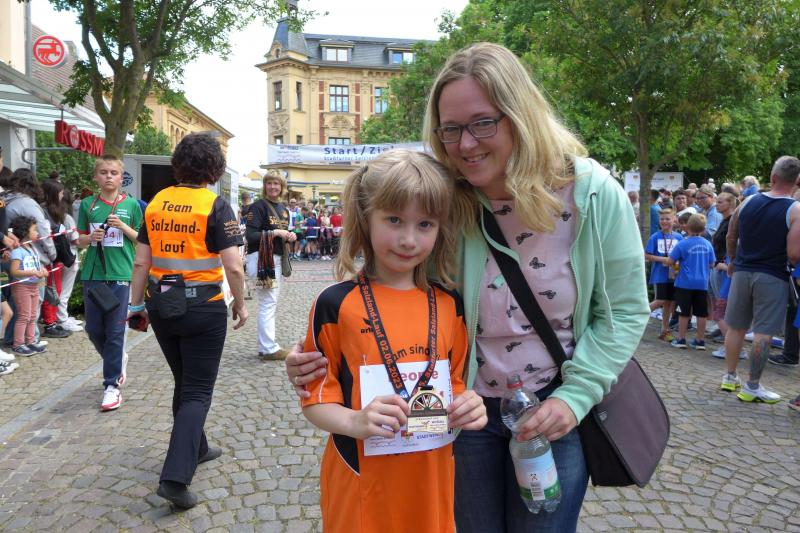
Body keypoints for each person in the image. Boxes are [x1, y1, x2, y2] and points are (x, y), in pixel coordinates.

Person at [287, 42, 649, 532]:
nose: (465, 144)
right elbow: (402, 294)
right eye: (450, 129)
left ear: (519, 116)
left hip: (552, 408)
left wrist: (576, 396)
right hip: (461, 415)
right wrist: (322, 357)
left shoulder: (591, 194)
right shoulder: (445, 198)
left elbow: (624, 310)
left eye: (482, 123)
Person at [300, 149, 486, 533]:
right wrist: (355, 421)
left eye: (425, 224)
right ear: (365, 218)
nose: (408, 239)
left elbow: (453, 385)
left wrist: (469, 406)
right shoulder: (335, 304)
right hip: (361, 483)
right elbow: (316, 400)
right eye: (394, 220)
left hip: (431, 480)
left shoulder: (450, 305)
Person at [127, 132, 248, 509]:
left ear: (178, 164)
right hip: (203, 307)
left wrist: (135, 306)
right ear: (215, 169)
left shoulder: (156, 203)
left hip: (161, 306)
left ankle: (199, 447)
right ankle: (175, 479)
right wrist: (240, 304)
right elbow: (234, 266)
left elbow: (141, 262)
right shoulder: (215, 205)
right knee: (197, 391)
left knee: (184, 380)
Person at [722, 156, 800, 403]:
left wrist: (733, 260)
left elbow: (731, 234)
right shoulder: (795, 210)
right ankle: (752, 386)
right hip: (773, 275)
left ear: (773, 177)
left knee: (736, 327)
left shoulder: (748, 201)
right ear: (796, 181)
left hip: (742, 270)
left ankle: (729, 376)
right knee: (764, 332)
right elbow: (793, 254)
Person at [77, 155, 143, 412]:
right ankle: (116, 359)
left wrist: (123, 226)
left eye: (113, 172)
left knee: (115, 331)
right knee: (94, 330)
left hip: (120, 274)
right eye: (103, 172)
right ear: (96, 177)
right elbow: (79, 239)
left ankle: (111, 386)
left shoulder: (132, 205)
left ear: (121, 177)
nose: (108, 176)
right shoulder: (87, 204)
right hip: (93, 274)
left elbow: (141, 239)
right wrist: (90, 238)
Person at [244, 170, 296, 360]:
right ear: (264, 186)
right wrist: (276, 233)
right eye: (269, 183)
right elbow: (250, 236)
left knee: (269, 302)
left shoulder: (283, 209)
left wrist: (289, 236)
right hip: (262, 260)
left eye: (276, 183)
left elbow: (281, 234)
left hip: (275, 259)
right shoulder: (258, 207)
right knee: (267, 303)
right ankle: (268, 348)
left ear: (282, 187)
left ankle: (266, 345)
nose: (273, 187)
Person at [667, 214, 715, 350]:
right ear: (703, 229)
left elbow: (670, 261)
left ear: (687, 227)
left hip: (685, 283)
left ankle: (681, 339)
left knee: (683, 313)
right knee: (701, 313)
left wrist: (675, 266)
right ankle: (700, 341)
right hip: (702, 284)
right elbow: (712, 264)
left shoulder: (682, 244)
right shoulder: (707, 244)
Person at [8, 216, 49, 355]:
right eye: (34, 230)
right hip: (22, 288)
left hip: (34, 286)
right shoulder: (18, 250)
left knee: (33, 316)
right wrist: (32, 272)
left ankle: (31, 341)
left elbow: (37, 264)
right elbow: (14, 271)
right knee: (24, 316)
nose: (37, 233)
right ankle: (18, 344)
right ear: (25, 232)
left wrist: (42, 270)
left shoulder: (32, 248)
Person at [39, 180, 73, 337]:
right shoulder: (43, 210)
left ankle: (52, 320)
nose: (62, 195)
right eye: (59, 192)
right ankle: (49, 323)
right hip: (48, 256)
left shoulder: (55, 210)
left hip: (56, 256)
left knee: (56, 289)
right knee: (50, 290)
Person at [645, 208, 682, 341]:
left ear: (674, 220)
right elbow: (647, 255)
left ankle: (664, 330)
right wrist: (664, 259)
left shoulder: (679, 237)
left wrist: (676, 265)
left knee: (668, 303)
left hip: (674, 275)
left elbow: (681, 255)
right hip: (660, 274)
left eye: (667, 219)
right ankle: (636, 316)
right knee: (660, 300)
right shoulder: (655, 237)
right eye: (662, 219)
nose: (664, 221)